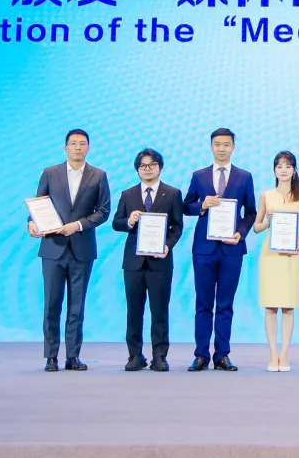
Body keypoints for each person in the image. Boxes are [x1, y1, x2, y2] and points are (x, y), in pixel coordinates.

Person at [28, 128, 111, 372]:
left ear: (89, 148)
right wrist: (31, 222)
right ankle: (51, 356)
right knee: (51, 305)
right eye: (73, 143)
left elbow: (103, 211)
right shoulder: (50, 173)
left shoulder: (98, 175)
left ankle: (73, 356)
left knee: (77, 307)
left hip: (82, 249)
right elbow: (39, 204)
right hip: (52, 248)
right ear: (65, 147)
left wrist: (78, 225)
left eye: (82, 143)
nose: (77, 147)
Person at [182, 127, 258, 371]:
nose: (222, 149)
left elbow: (251, 212)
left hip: (231, 249)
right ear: (211, 146)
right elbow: (186, 206)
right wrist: (202, 205)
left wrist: (241, 232)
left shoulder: (244, 177)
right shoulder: (199, 175)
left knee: (225, 304)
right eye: (217, 144)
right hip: (203, 249)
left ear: (233, 146)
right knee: (203, 303)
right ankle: (201, 355)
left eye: (226, 144)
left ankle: (222, 355)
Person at [111, 148, 183, 373]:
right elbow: (116, 223)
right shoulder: (128, 194)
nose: (148, 169)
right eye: (143, 166)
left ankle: (159, 356)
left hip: (160, 261)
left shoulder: (172, 193)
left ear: (160, 167)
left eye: (152, 165)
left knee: (159, 311)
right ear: (137, 170)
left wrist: (167, 246)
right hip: (133, 262)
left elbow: (177, 226)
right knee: (134, 311)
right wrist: (129, 221)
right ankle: (135, 355)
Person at [253, 151, 299, 372]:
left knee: (288, 306)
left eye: (288, 166)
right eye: (279, 166)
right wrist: (268, 222)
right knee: (270, 306)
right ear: (274, 171)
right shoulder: (266, 195)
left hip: (291, 256)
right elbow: (256, 227)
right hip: (270, 256)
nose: (284, 170)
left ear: (294, 170)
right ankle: (272, 353)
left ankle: (285, 353)